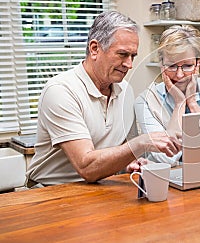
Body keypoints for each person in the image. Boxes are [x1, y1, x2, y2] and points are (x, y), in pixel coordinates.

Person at [25, 11, 181, 187]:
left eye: (133, 56)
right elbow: (87, 167)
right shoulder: (61, 91)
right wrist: (142, 142)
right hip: (50, 192)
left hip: (99, 187)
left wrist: (128, 163)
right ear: (94, 49)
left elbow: (119, 148)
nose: (129, 65)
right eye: (122, 54)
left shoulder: (125, 90)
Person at [134, 25, 200, 166]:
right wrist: (179, 104)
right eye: (172, 66)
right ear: (161, 64)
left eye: (187, 66)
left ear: (197, 64)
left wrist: (192, 103)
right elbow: (166, 158)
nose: (179, 75)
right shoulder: (146, 101)